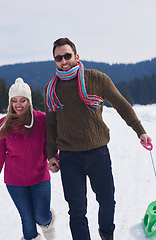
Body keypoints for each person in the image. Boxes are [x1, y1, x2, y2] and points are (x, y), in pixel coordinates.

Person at [44, 38, 152, 240]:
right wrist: (51, 154)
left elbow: (122, 105)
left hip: (98, 152)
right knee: (76, 211)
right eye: (58, 58)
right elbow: (51, 124)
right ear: (55, 61)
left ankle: (106, 234)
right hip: (69, 157)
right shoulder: (52, 88)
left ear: (77, 56)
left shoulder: (97, 79)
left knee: (107, 201)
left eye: (67, 55)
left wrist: (140, 131)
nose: (63, 61)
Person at [0, 78, 56, 240]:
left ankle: (48, 220)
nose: (18, 104)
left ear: (29, 101)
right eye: (14, 101)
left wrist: (54, 158)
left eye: (23, 100)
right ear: (10, 102)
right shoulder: (3, 124)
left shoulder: (41, 119)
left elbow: (49, 144)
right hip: (15, 182)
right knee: (27, 220)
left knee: (41, 217)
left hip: (39, 177)